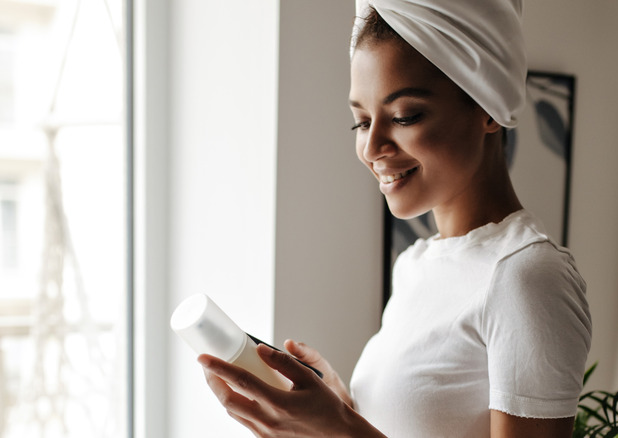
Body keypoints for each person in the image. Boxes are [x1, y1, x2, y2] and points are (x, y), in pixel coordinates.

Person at [197, 0, 592, 436]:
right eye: (361, 122)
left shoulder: (526, 276)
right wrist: (340, 407)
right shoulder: (416, 265)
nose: (371, 148)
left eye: (405, 116)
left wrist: (340, 428)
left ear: (488, 107)